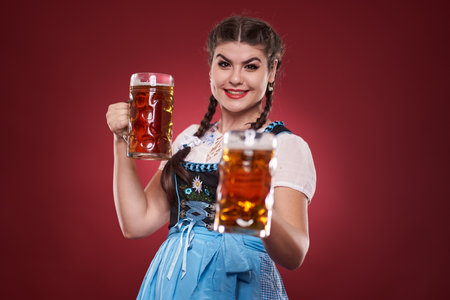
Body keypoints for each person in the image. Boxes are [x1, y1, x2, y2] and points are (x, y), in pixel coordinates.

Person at [106, 16, 316, 300]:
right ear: (211, 69)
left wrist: (256, 207)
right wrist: (122, 140)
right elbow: (136, 223)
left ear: (272, 71)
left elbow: (295, 254)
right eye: (224, 63)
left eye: (251, 66)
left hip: (237, 286)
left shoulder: (284, 145)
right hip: (172, 282)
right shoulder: (189, 139)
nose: (235, 78)